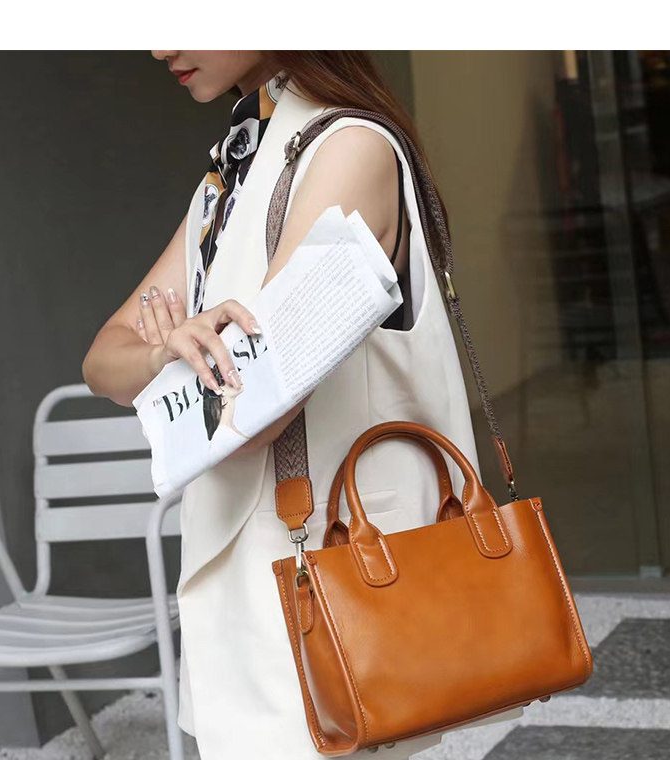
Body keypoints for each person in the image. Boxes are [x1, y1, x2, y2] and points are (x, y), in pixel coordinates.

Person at [82, 51, 521, 759]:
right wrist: (167, 356)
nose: (159, 44)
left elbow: (257, 411)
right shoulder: (230, 173)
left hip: (325, 567)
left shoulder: (351, 149)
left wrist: (177, 358)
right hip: (242, 570)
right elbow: (102, 360)